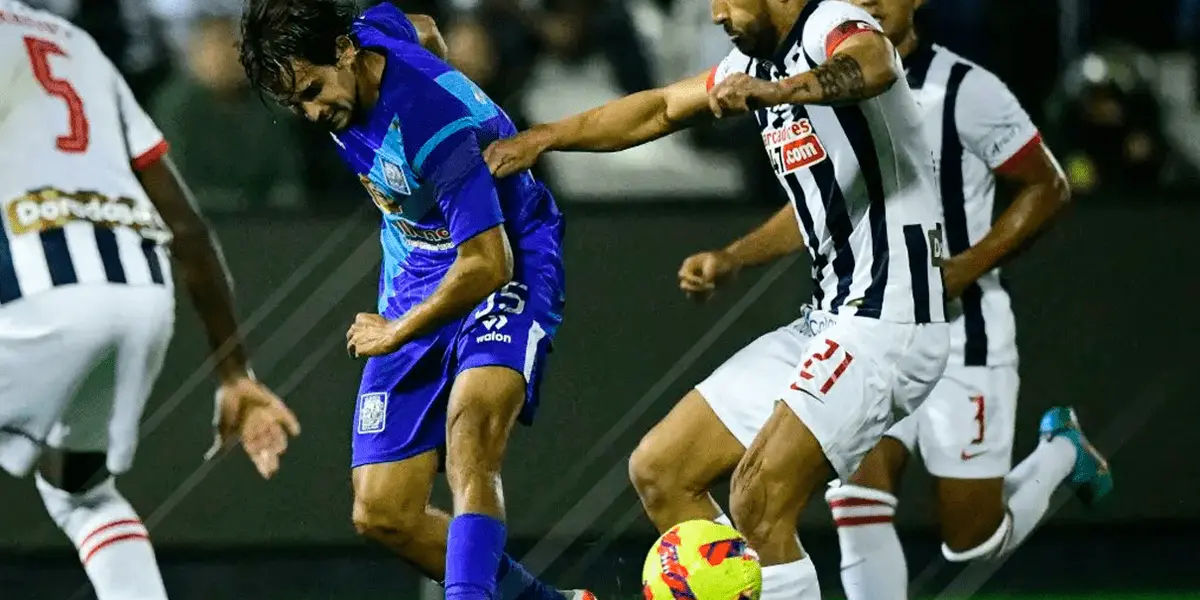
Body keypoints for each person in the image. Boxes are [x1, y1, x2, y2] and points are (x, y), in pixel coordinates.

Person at [487, 1, 948, 598]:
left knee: (759, 499)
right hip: (830, 318)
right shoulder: (747, 63)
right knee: (662, 470)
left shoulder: (829, 20)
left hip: (891, 318)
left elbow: (875, 61)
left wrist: (776, 90)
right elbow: (657, 109)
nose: (715, 13)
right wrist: (544, 139)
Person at [237, 2, 591, 600]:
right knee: (383, 512)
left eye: (314, 90)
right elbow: (422, 25)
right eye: (297, 102)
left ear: (346, 53)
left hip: (507, 258)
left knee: (470, 433)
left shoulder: (430, 123)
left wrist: (395, 333)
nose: (313, 112)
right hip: (418, 274)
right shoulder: (373, 31)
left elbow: (488, 263)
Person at [0, 2, 300, 599]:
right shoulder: (77, 44)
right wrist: (235, 372)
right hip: (139, 291)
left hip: (40, 296)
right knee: (81, 494)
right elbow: (187, 228)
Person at [824, 2, 1111, 599]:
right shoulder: (831, 91)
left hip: (963, 331)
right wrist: (736, 255)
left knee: (972, 540)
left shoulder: (966, 88)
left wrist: (963, 269)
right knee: (854, 497)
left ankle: (1061, 451)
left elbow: (1048, 185)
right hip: (875, 331)